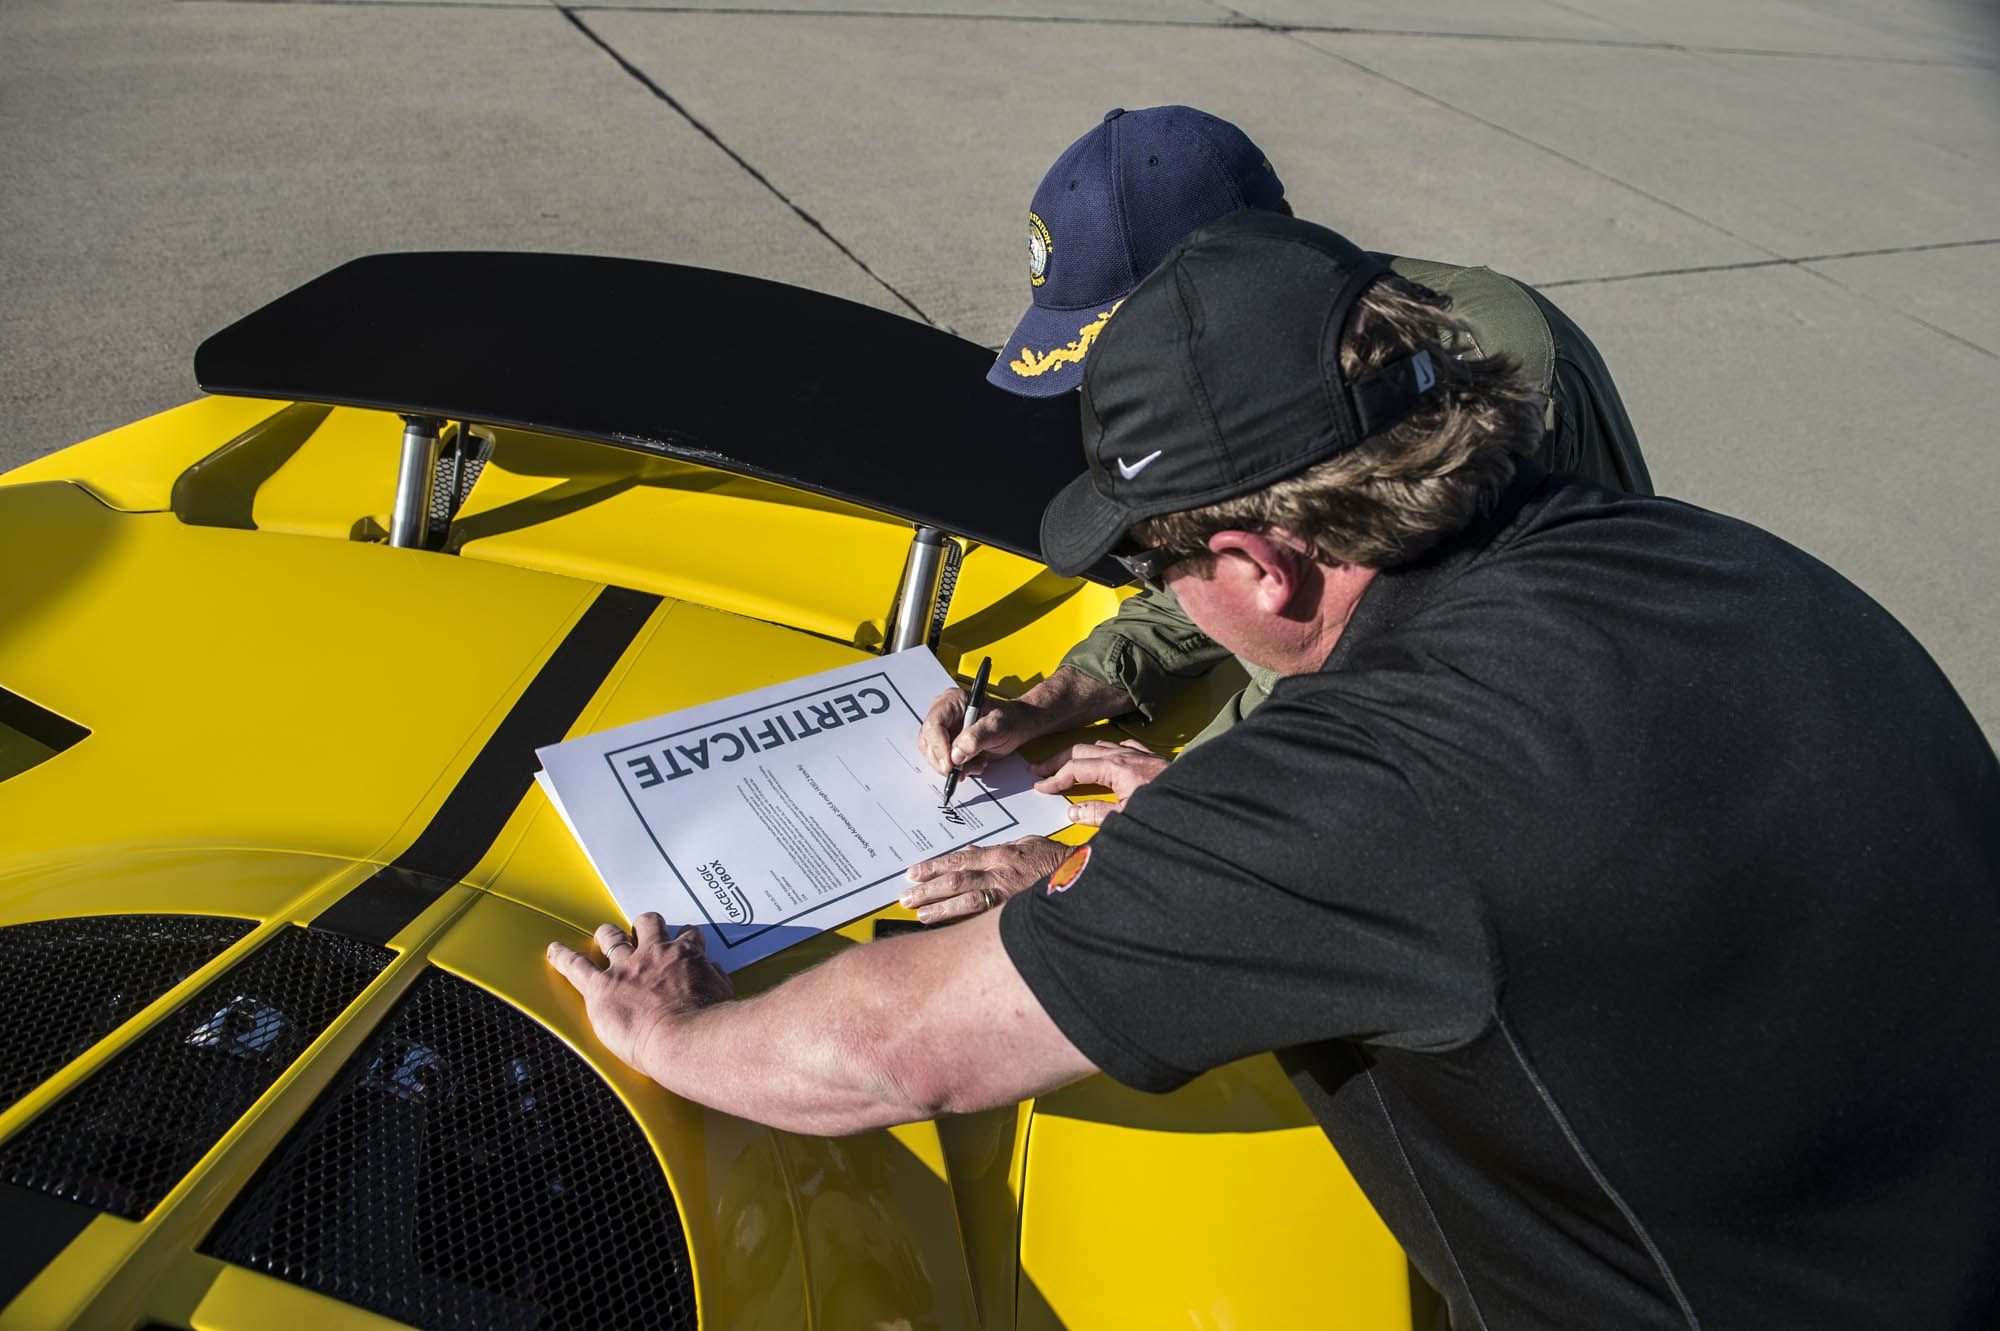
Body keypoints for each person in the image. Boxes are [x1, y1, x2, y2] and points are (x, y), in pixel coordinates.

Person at [549, 212, 2000, 1330]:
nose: (1162, 598)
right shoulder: (1701, 553)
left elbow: (901, 1046)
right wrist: (1198, 825)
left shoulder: (1371, 783)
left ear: (1256, 562)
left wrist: (675, 1034)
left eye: (1156, 563)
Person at [904, 105, 1654, 924]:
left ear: (1227, 283)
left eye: (1122, 342)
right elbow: (1208, 549)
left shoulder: (1443, 391)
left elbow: (1376, 704)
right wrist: (1066, 690)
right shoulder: (1278, 358)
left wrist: (1146, 854)